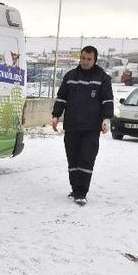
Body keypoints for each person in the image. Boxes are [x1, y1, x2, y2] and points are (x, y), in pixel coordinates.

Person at [51, 45, 114, 206]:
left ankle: (81, 192)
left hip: (91, 129)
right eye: (83, 58)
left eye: (89, 59)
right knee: (73, 160)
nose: (85, 62)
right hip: (72, 126)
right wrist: (56, 115)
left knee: (86, 160)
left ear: (95, 60)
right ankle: (74, 188)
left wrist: (106, 119)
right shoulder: (70, 76)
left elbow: (107, 100)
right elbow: (61, 98)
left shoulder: (103, 78)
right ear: (80, 58)